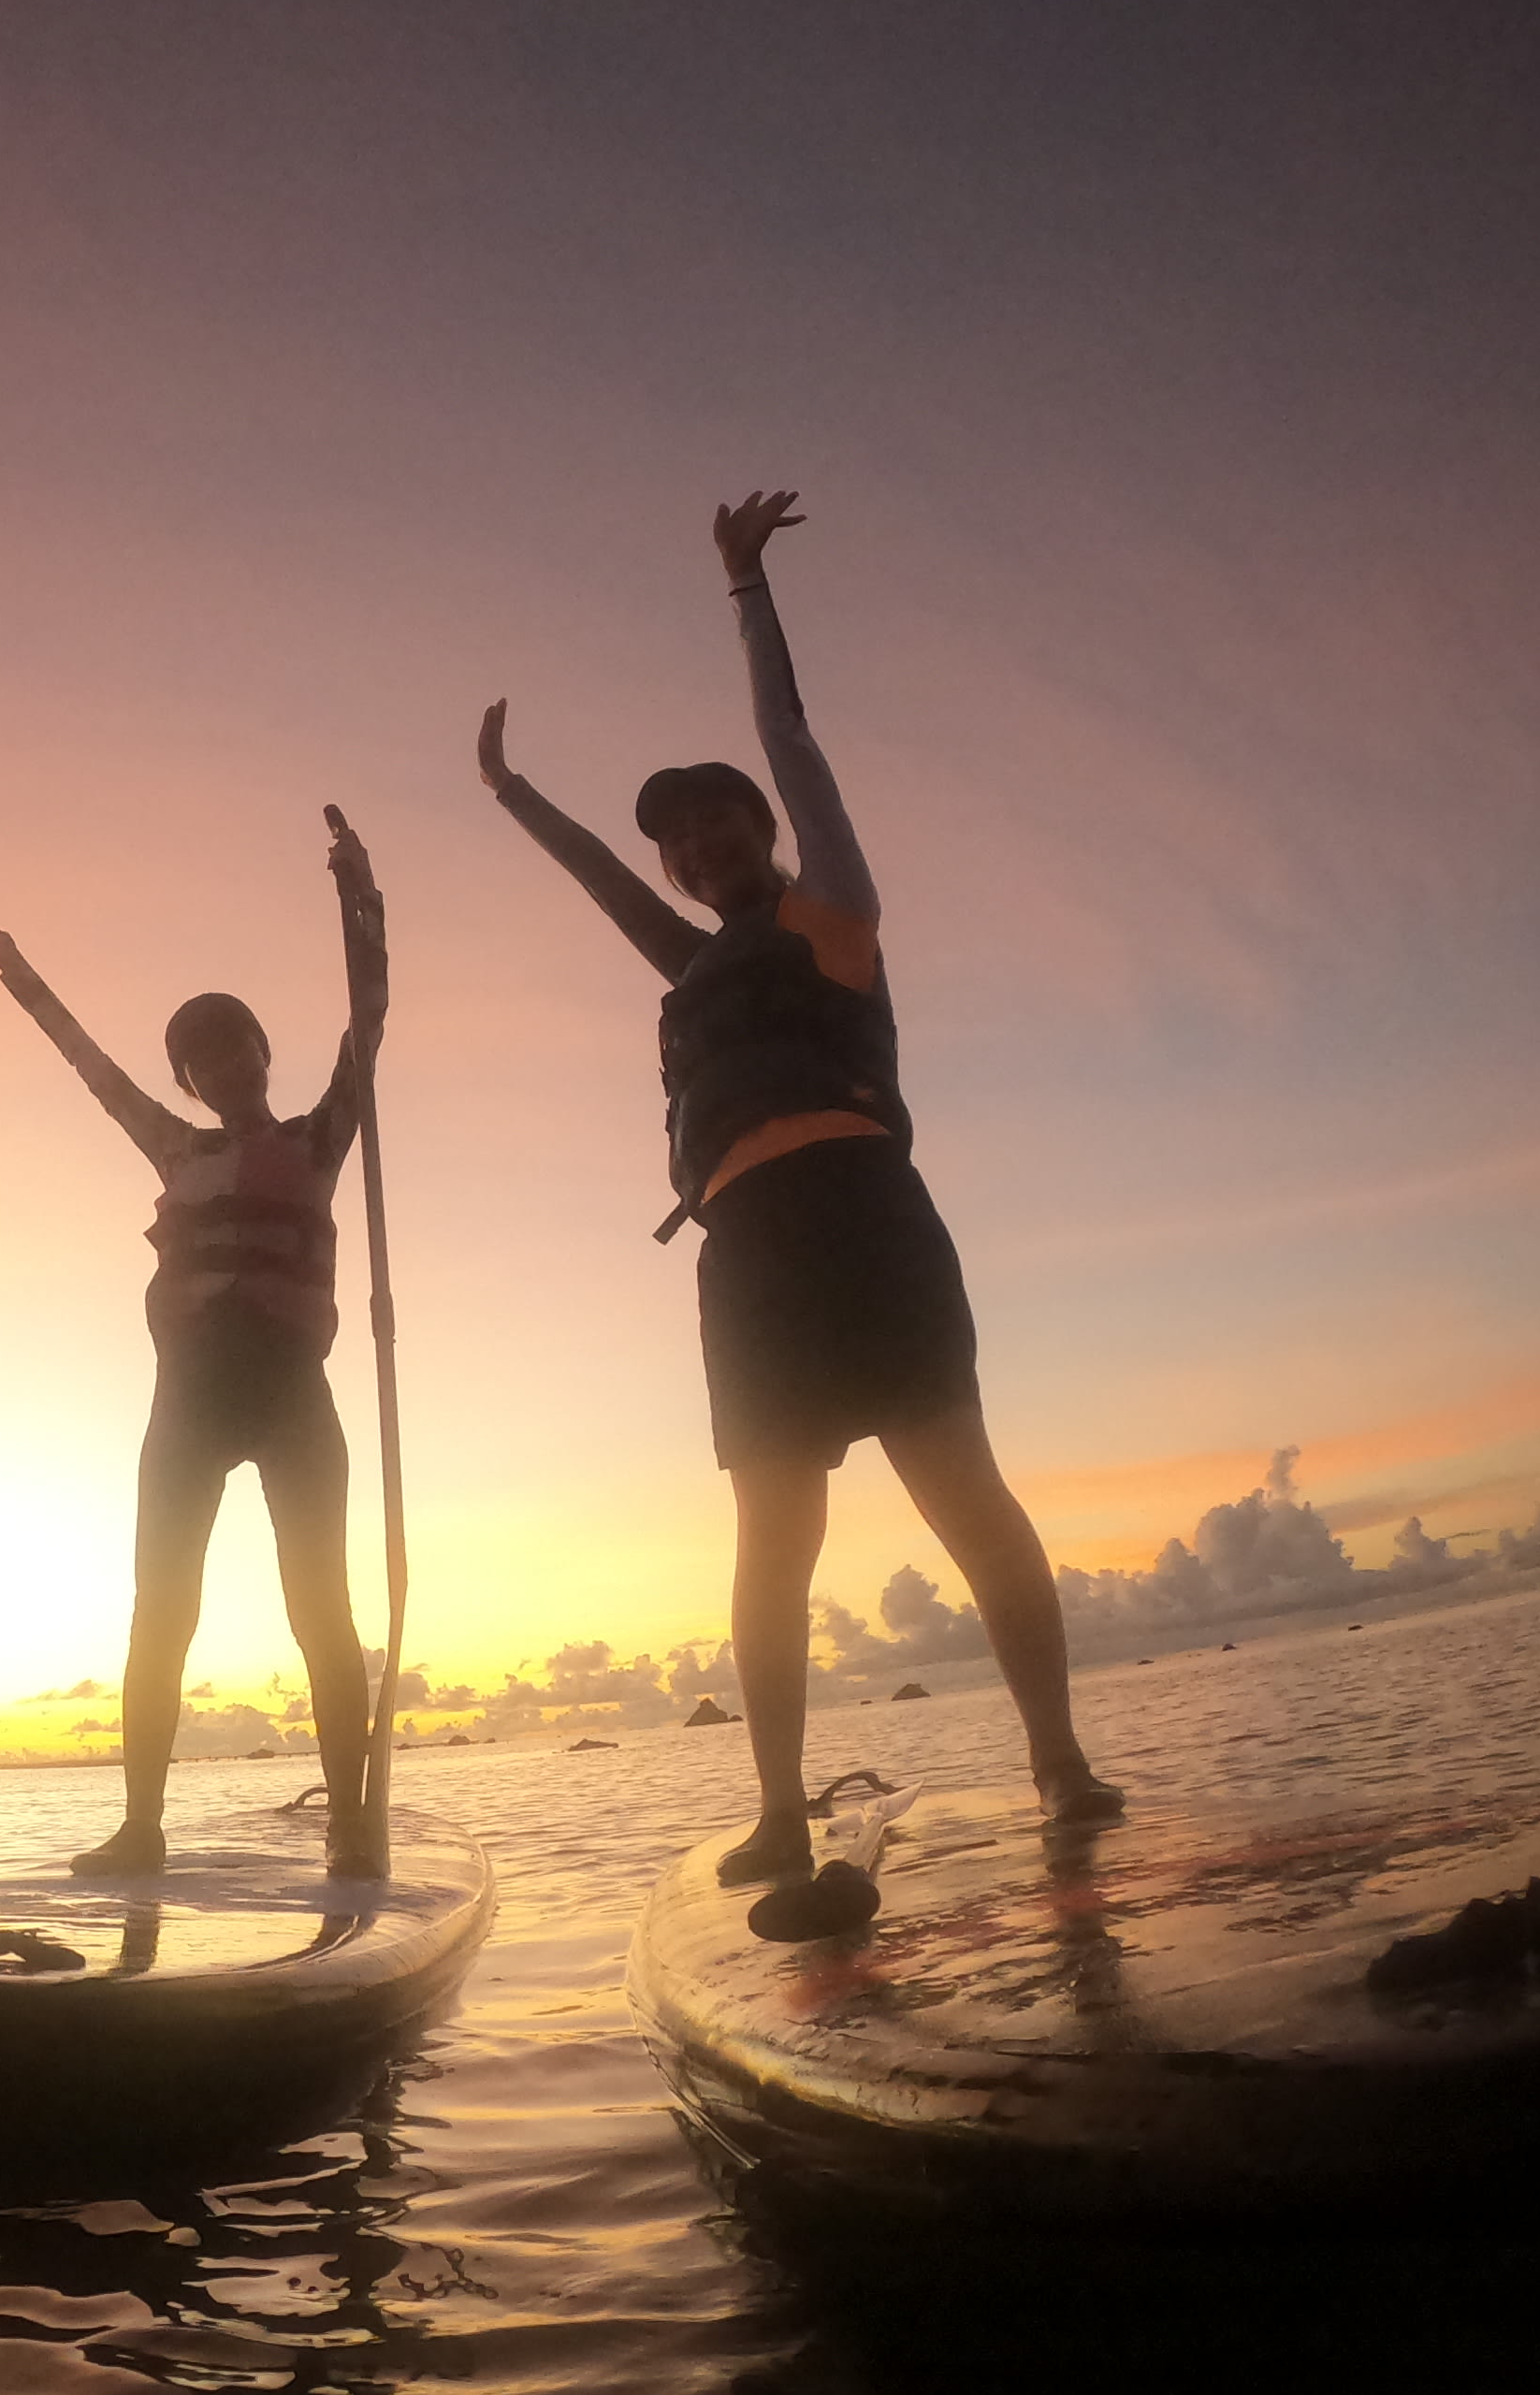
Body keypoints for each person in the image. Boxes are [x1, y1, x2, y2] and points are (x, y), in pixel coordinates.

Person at [478, 492, 1121, 1885]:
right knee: (774, 1542)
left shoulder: (832, 909)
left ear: (759, 832)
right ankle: (778, 1811)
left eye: (716, 827)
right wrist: (514, 796)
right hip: (749, 1256)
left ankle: (1059, 1764)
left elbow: (792, 740)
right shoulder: (689, 961)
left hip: (869, 1228)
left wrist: (744, 590)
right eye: (679, 843)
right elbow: (601, 878)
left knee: (967, 1500)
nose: (696, 851)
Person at [0, 821, 390, 1882]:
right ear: (190, 1082)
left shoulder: (318, 1138)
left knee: (318, 1609)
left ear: (259, 1055)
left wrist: (357, 897)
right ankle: (140, 1827)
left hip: (290, 1393)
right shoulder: (172, 1143)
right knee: (162, 1611)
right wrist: (23, 979)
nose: (220, 1066)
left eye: (233, 1047)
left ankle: (349, 1823)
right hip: (188, 1400)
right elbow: (88, 1065)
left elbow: (367, 1021)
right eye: (200, 1060)